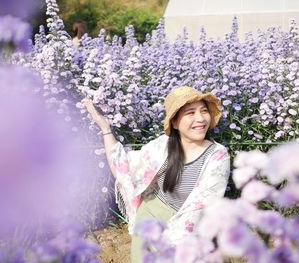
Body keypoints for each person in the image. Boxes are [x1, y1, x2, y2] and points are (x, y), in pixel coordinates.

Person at [84, 86, 230, 262]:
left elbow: (203, 205)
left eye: (204, 111)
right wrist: (105, 128)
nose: (200, 119)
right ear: (175, 122)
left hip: (183, 232)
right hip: (147, 220)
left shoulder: (217, 155)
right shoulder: (163, 145)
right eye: (190, 113)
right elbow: (123, 167)